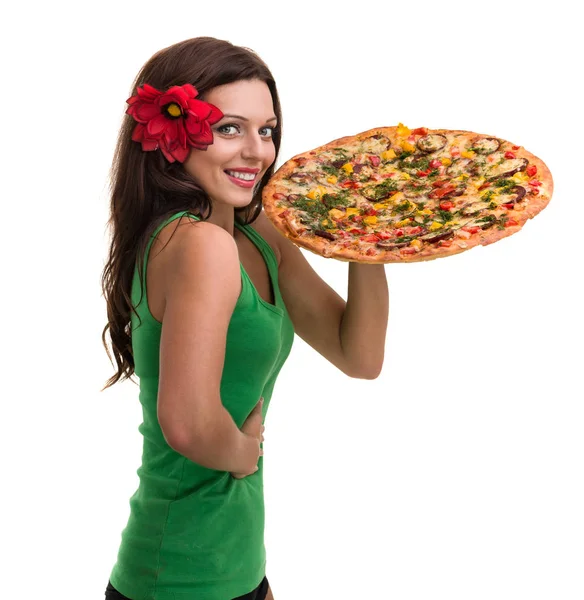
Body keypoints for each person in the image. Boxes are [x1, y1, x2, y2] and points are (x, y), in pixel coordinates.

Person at [101, 36, 389, 600]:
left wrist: (369, 237)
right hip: (180, 578)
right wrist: (244, 453)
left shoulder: (259, 234)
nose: (257, 152)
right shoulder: (200, 246)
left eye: (267, 129)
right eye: (230, 128)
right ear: (172, 134)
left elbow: (359, 357)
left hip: (236, 566)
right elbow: (186, 423)